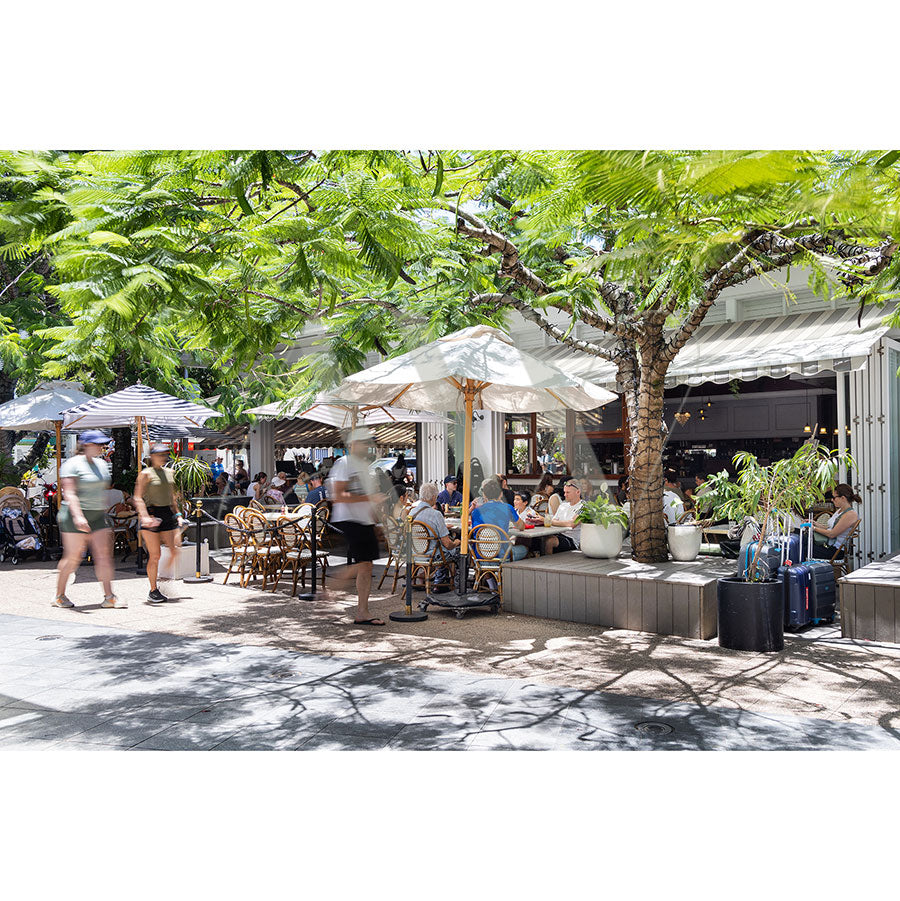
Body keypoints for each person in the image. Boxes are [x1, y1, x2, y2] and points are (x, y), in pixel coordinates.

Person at [54, 431, 121, 609]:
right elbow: (69, 492)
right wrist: (78, 516)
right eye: (98, 444)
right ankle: (59, 596)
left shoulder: (102, 464)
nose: (101, 447)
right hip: (73, 514)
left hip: (97, 515)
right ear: (85, 445)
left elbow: (102, 489)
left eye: (102, 444)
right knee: (73, 557)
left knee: (104, 557)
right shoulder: (72, 464)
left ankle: (109, 596)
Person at [326, 428, 386, 625]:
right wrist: (369, 499)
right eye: (364, 442)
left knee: (367, 566)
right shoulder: (344, 463)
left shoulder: (365, 467)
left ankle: (362, 611)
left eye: (369, 442)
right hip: (349, 519)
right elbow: (338, 495)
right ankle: (334, 585)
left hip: (363, 521)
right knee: (363, 564)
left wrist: (374, 521)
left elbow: (367, 500)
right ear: (353, 445)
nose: (368, 446)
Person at [133, 444, 186, 604]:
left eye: (165, 454)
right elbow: (137, 497)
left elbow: (173, 497)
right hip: (151, 513)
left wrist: (178, 515)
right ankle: (153, 589)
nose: (162, 457)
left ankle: (162, 579)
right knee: (155, 555)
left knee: (175, 550)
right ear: (152, 456)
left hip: (167, 513)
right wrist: (145, 516)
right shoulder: (145, 474)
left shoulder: (170, 473)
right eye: (159, 454)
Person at [409, 482, 461, 591]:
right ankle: (456, 585)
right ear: (433, 497)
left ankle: (439, 580)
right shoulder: (435, 514)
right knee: (461, 552)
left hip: (416, 554)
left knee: (441, 548)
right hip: (434, 555)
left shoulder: (412, 513)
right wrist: (457, 542)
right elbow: (447, 544)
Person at [470, 478, 529, 561]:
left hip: (480, 556)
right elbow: (521, 526)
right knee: (525, 549)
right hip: (502, 556)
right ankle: (509, 573)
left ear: (484, 495)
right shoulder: (507, 508)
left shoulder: (475, 512)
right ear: (501, 494)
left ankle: (486, 573)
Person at [810, 483, 861, 559]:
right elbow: (829, 528)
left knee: (802, 546)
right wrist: (814, 523)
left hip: (835, 551)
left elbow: (832, 534)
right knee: (801, 540)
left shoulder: (850, 514)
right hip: (828, 547)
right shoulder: (840, 511)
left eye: (834, 497)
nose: (832, 500)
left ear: (843, 498)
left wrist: (813, 528)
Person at [543, 480, 585, 555]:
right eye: (564, 492)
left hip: (572, 540)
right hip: (558, 534)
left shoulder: (584, 506)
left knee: (549, 541)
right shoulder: (563, 505)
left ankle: (546, 564)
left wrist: (547, 521)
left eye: (568, 492)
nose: (565, 495)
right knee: (537, 539)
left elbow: (572, 524)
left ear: (578, 492)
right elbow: (554, 521)